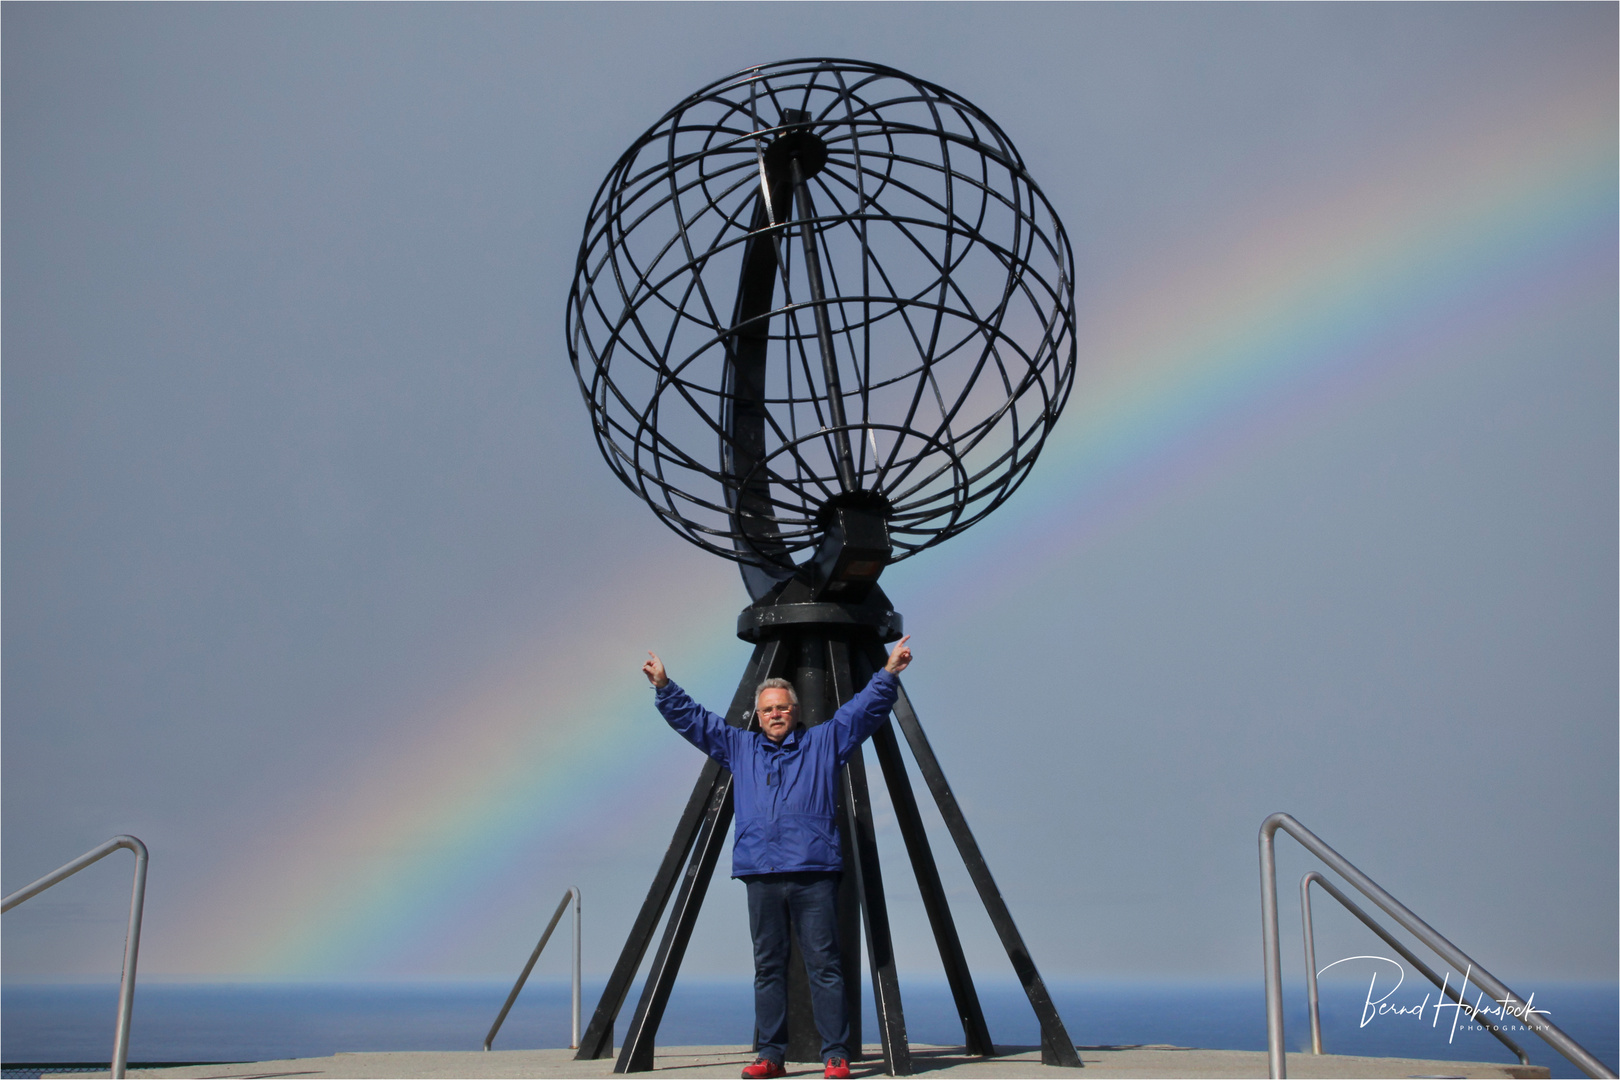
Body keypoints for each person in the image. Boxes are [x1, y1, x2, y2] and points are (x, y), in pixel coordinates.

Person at [642, 635, 913, 1080]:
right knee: (768, 967)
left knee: (824, 967)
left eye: (782, 707)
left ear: (796, 711)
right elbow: (697, 723)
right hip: (762, 874)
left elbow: (862, 713)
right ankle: (771, 1055)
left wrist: (888, 674)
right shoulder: (740, 747)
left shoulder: (824, 742)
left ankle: (836, 1056)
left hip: (813, 873)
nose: (775, 714)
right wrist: (665, 686)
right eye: (768, 709)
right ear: (759, 715)